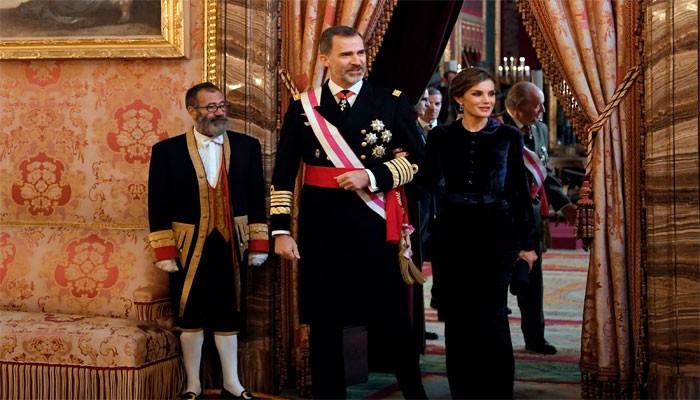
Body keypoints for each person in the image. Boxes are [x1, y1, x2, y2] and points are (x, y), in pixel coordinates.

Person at [271, 25, 427, 399]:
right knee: (325, 324)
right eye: (346, 54)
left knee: (394, 320)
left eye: (360, 53)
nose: (357, 61)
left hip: (376, 226)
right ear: (325, 59)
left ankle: (415, 394)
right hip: (322, 229)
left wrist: (371, 176)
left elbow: (420, 162)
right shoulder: (304, 107)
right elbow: (283, 174)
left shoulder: (390, 102)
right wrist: (280, 230)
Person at [147, 82, 269, 400]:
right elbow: (158, 204)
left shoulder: (247, 147)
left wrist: (259, 243)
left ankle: (232, 383)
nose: (219, 112)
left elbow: (257, 198)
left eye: (221, 105)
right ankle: (193, 384)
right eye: (211, 107)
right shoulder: (166, 152)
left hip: (233, 245)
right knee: (189, 315)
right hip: (187, 248)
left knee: (229, 312)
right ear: (193, 111)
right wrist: (165, 251)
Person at [425, 67, 537, 399]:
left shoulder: (508, 137)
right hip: (453, 236)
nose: (487, 100)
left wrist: (528, 244)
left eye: (490, 94)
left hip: (497, 235)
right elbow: (426, 183)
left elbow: (519, 191)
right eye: (478, 94)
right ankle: (463, 391)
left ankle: (499, 392)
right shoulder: (441, 137)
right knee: (458, 321)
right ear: (459, 98)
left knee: (493, 319)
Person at [503, 81, 577, 355]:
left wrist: (564, 203)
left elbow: (544, 172)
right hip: (504, 218)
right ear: (517, 107)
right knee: (501, 282)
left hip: (534, 218)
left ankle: (535, 338)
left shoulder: (541, 129)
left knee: (533, 282)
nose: (543, 110)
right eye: (537, 106)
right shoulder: (496, 129)